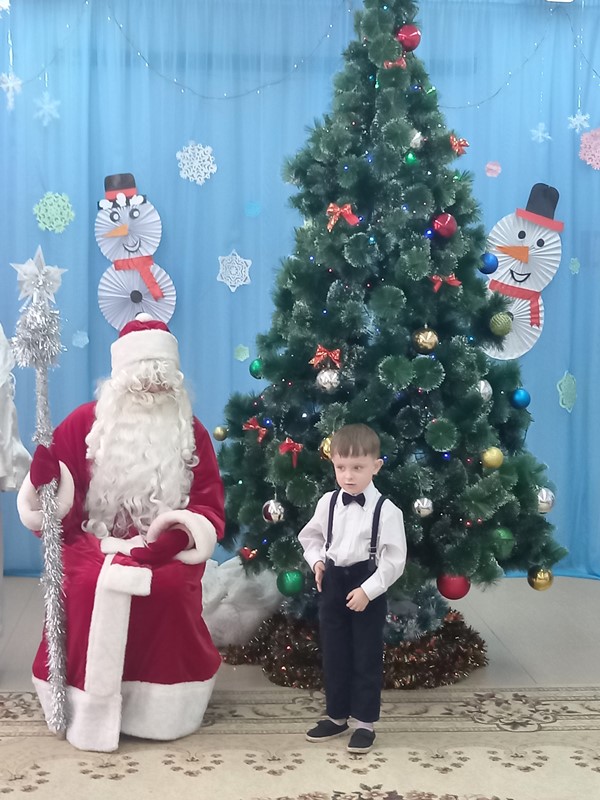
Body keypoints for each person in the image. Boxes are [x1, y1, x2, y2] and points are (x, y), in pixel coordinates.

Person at [17, 314, 225, 752]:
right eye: (142, 379)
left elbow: (208, 504)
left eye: (162, 380)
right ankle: (84, 703)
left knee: (168, 588)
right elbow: (54, 507)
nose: (152, 389)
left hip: (163, 548)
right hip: (90, 543)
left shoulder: (190, 433)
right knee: (83, 584)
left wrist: (176, 537)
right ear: (121, 380)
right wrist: (44, 482)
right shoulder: (84, 423)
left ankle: (160, 711)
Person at [298, 423, 407, 754]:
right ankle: (337, 716)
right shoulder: (328, 502)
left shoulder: (387, 511)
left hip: (366, 585)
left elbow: (394, 560)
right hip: (333, 583)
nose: (348, 476)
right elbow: (310, 537)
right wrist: (317, 562)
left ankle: (364, 723)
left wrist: (368, 591)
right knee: (334, 653)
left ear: (376, 466)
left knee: (365, 655)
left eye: (357, 468)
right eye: (341, 467)